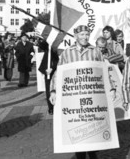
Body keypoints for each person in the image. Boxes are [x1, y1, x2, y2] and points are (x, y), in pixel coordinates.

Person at [49, 25, 103, 159]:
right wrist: (53, 91)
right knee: (78, 130)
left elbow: (104, 70)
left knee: (92, 129)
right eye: (82, 34)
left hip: (92, 97)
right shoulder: (67, 53)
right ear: (75, 36)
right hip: (75, 98)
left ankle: (93, 153)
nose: (85, 37)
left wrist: (112, 88)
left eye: (87, 34)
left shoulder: (95, 51)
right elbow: (58, 72)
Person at [38, 40, 59, 115]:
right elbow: (42, 66)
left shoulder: (55, 51)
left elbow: (58, 61)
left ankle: (56, 106)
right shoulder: (48, 51)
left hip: (57, 74)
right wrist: (46, 71)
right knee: (49, 91)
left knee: (57, 91)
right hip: (49, 75)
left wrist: (53, 68)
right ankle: (50, 107)